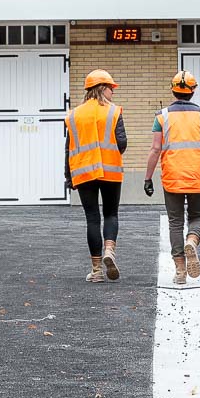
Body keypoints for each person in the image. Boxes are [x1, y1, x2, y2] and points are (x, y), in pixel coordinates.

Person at [142, 70, 200, 286]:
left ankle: (180, 271)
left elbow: (155, 149)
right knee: (197, 217)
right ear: (193, 91)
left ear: (173, 90)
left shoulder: (162, 116)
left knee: (175, 222)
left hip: (172, 178)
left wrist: (147, 178)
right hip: (197, 177)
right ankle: (192, 241)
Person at [65, 69, 127, 283]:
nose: (113, 92)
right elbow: (122, 143)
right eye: (111, 88)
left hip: (83, 172)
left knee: (92, 218)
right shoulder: (114, 112)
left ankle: (97, 270)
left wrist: (68, 176)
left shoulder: (73, 115)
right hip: (110, 171)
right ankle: (110, 249)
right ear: (103, 88)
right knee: (111, 214)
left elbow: (68, 148)